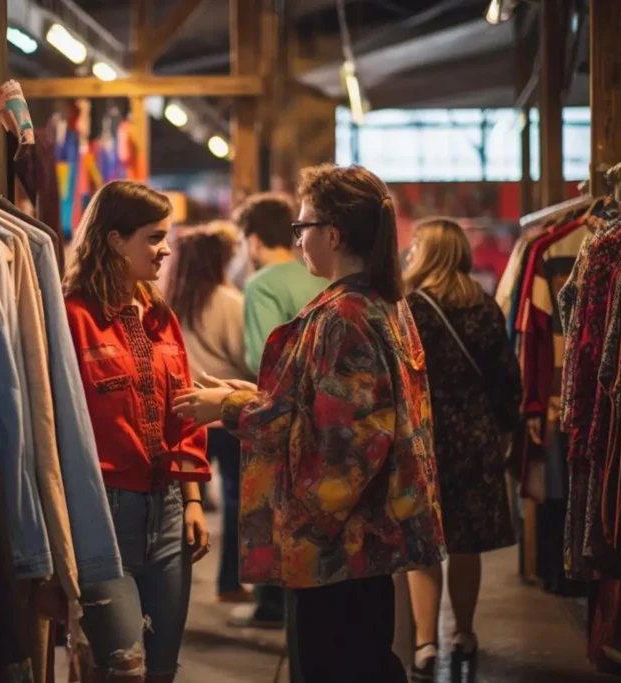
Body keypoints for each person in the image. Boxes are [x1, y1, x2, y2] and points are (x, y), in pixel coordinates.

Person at [172, 164, 447, 683]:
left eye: (303, 228)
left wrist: (231, 410)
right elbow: (333, 409)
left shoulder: (346, 314)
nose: (298, 240)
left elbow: (343, 440)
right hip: (362, 543)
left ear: (333, 233)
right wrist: (252, 396)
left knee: (335, 665)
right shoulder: (380, 303)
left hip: (338, 545)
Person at [62, 180, 212, 683]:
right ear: (113, 240)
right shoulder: (72, 318)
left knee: (162, 670)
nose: (166, 248)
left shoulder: (160, 316)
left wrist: (192, 499)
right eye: (153, 237)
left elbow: (183, 411)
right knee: (123, 669)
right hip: (104, 515)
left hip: (169, 511)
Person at [402, 218, 521, 681]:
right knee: (466, 542)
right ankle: (464, 633)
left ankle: (425, 643)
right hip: (475, 435)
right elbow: (505, 375)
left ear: (424, 252)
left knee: (423, 544)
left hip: (423, 436)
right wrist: (507, 427)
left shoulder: (409, 307)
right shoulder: (483, 304)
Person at [231, 192, 330, 628]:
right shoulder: (326, 276)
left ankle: (272, 606)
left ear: (252, 241)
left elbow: (261, 359)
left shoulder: (263, 284)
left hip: (282, 420)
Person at [163, 221, 255, 604]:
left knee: (186, 503)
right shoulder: (229, 301)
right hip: (226, 410)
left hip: (185, 413)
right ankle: (229, 582)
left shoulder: (168, 301)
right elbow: (245, 356)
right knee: (235, 500)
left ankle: (174, 582)